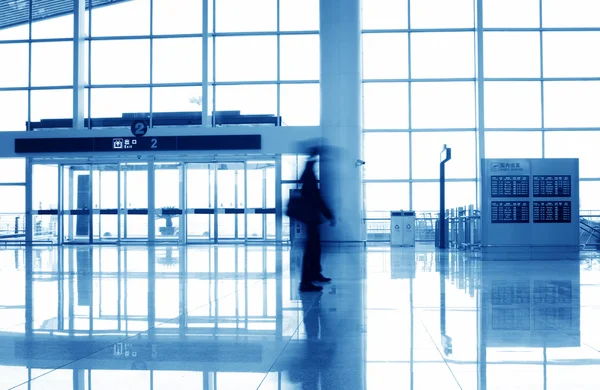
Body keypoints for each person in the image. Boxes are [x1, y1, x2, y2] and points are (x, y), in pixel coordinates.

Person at [299, 148, 336, 292]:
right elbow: (316, 198)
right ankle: (305, 282)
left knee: (315, 248)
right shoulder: (309, 173)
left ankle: (314, 274)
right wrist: (329, 214)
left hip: (311, 217)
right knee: (311, 250)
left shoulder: (309, 172)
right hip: (310, 218)